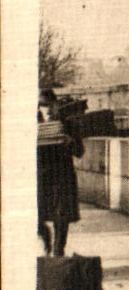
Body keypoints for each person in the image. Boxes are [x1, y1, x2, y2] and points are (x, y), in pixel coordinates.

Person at [37, 89, 83, 256]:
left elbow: (80, 151)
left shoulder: (68, 123)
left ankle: (58, 251)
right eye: (42, 105)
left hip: (62, 175)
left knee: (61, 217)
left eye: (50, 105)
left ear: (56, 104)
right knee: (35, 216)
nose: (47, 109)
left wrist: (70, 141)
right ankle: (46, 238)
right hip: (40, 175)